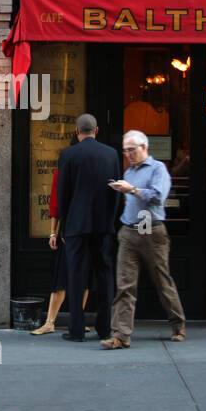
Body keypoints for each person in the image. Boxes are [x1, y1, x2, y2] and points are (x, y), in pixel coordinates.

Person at [101, 130, 187, 349]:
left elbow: (159, 196)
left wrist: (132, 190)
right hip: (129, 231)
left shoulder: (158, 169)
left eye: (131, 150)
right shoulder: (129, 172)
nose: (128, 154)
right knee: (124, 285)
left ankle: (178, 324)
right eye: (125, 151)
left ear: (144, 147)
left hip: (151, 231)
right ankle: (120, 335)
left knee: (162, 281)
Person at [56, 113, 121, 342]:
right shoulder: (111, 154)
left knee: (76, 277)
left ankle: (76, 330)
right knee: (104, 276)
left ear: (77, 132)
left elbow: (63, 193)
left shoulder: (68, 154)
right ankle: (104, 328)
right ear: (97, 130)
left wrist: (63, 224)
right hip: (103, 226)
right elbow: (116, 192)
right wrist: (111, 221)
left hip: (76, 226)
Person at [31, 156, 90, 336]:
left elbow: (55, 205)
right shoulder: (74, 173)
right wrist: (53, 232)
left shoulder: (65, 171)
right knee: (68, 278)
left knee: (73, 278)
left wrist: (53, 232)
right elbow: (55, 205)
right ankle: (53, 321)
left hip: (75, 231)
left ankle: (59, 322)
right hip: (79, 232)